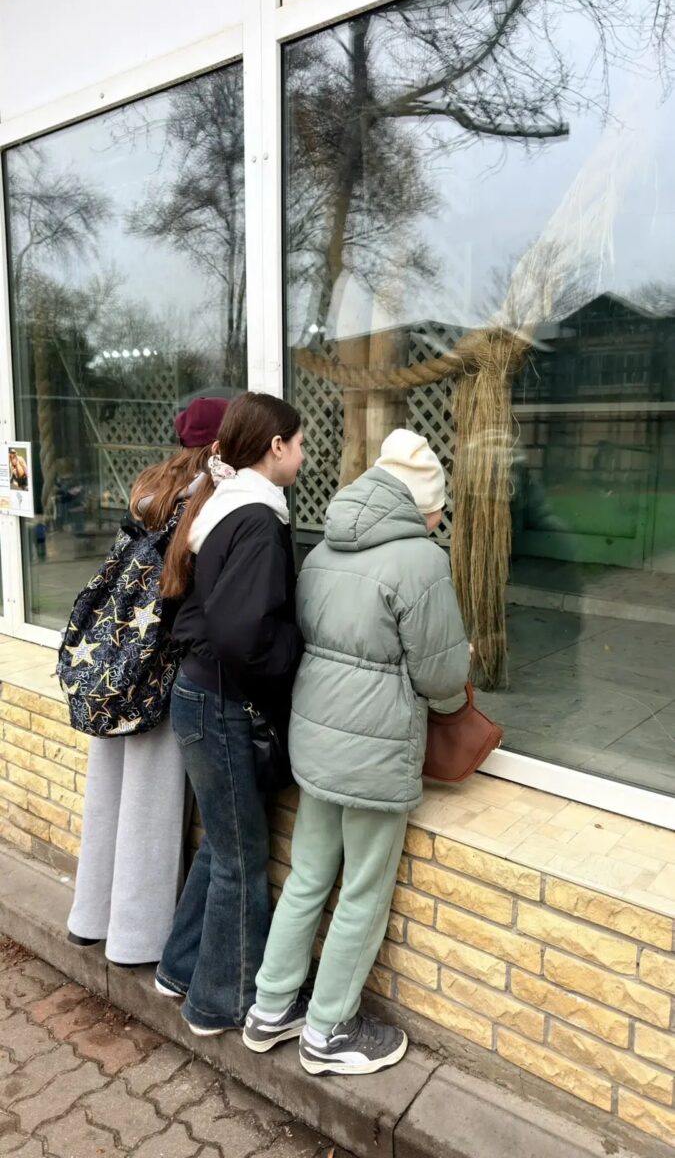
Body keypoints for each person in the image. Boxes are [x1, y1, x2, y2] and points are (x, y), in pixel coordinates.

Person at [243, 428, 470, 1075]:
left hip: (317, 741)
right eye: (437, 509)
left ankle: (270, 1007)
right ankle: (328, 1030)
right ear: (419, 504)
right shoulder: (421, 562)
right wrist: (458, 691)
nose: (438, 520)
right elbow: (441, 677)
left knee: (307, 878)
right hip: (374, 755)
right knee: (363, 891)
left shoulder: (323, 545)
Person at [155, 392, 305, 1037]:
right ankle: (221, 1001)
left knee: (222, 845)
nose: (303, 454)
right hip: (220, 702)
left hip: (198, 693)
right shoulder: (258, 518)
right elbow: (245, 634)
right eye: (300, 443)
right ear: (275, 446)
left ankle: (180, 968)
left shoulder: (221, 504)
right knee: (242, 858)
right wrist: (294, 654)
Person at [66, 396, 228, 965]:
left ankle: (90, 917)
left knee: (107, 794)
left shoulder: (150, 487)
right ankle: (138, 938)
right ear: (219, 443)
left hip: (116, 665)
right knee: (150, 805)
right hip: (160, 671)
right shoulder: (208, 498)